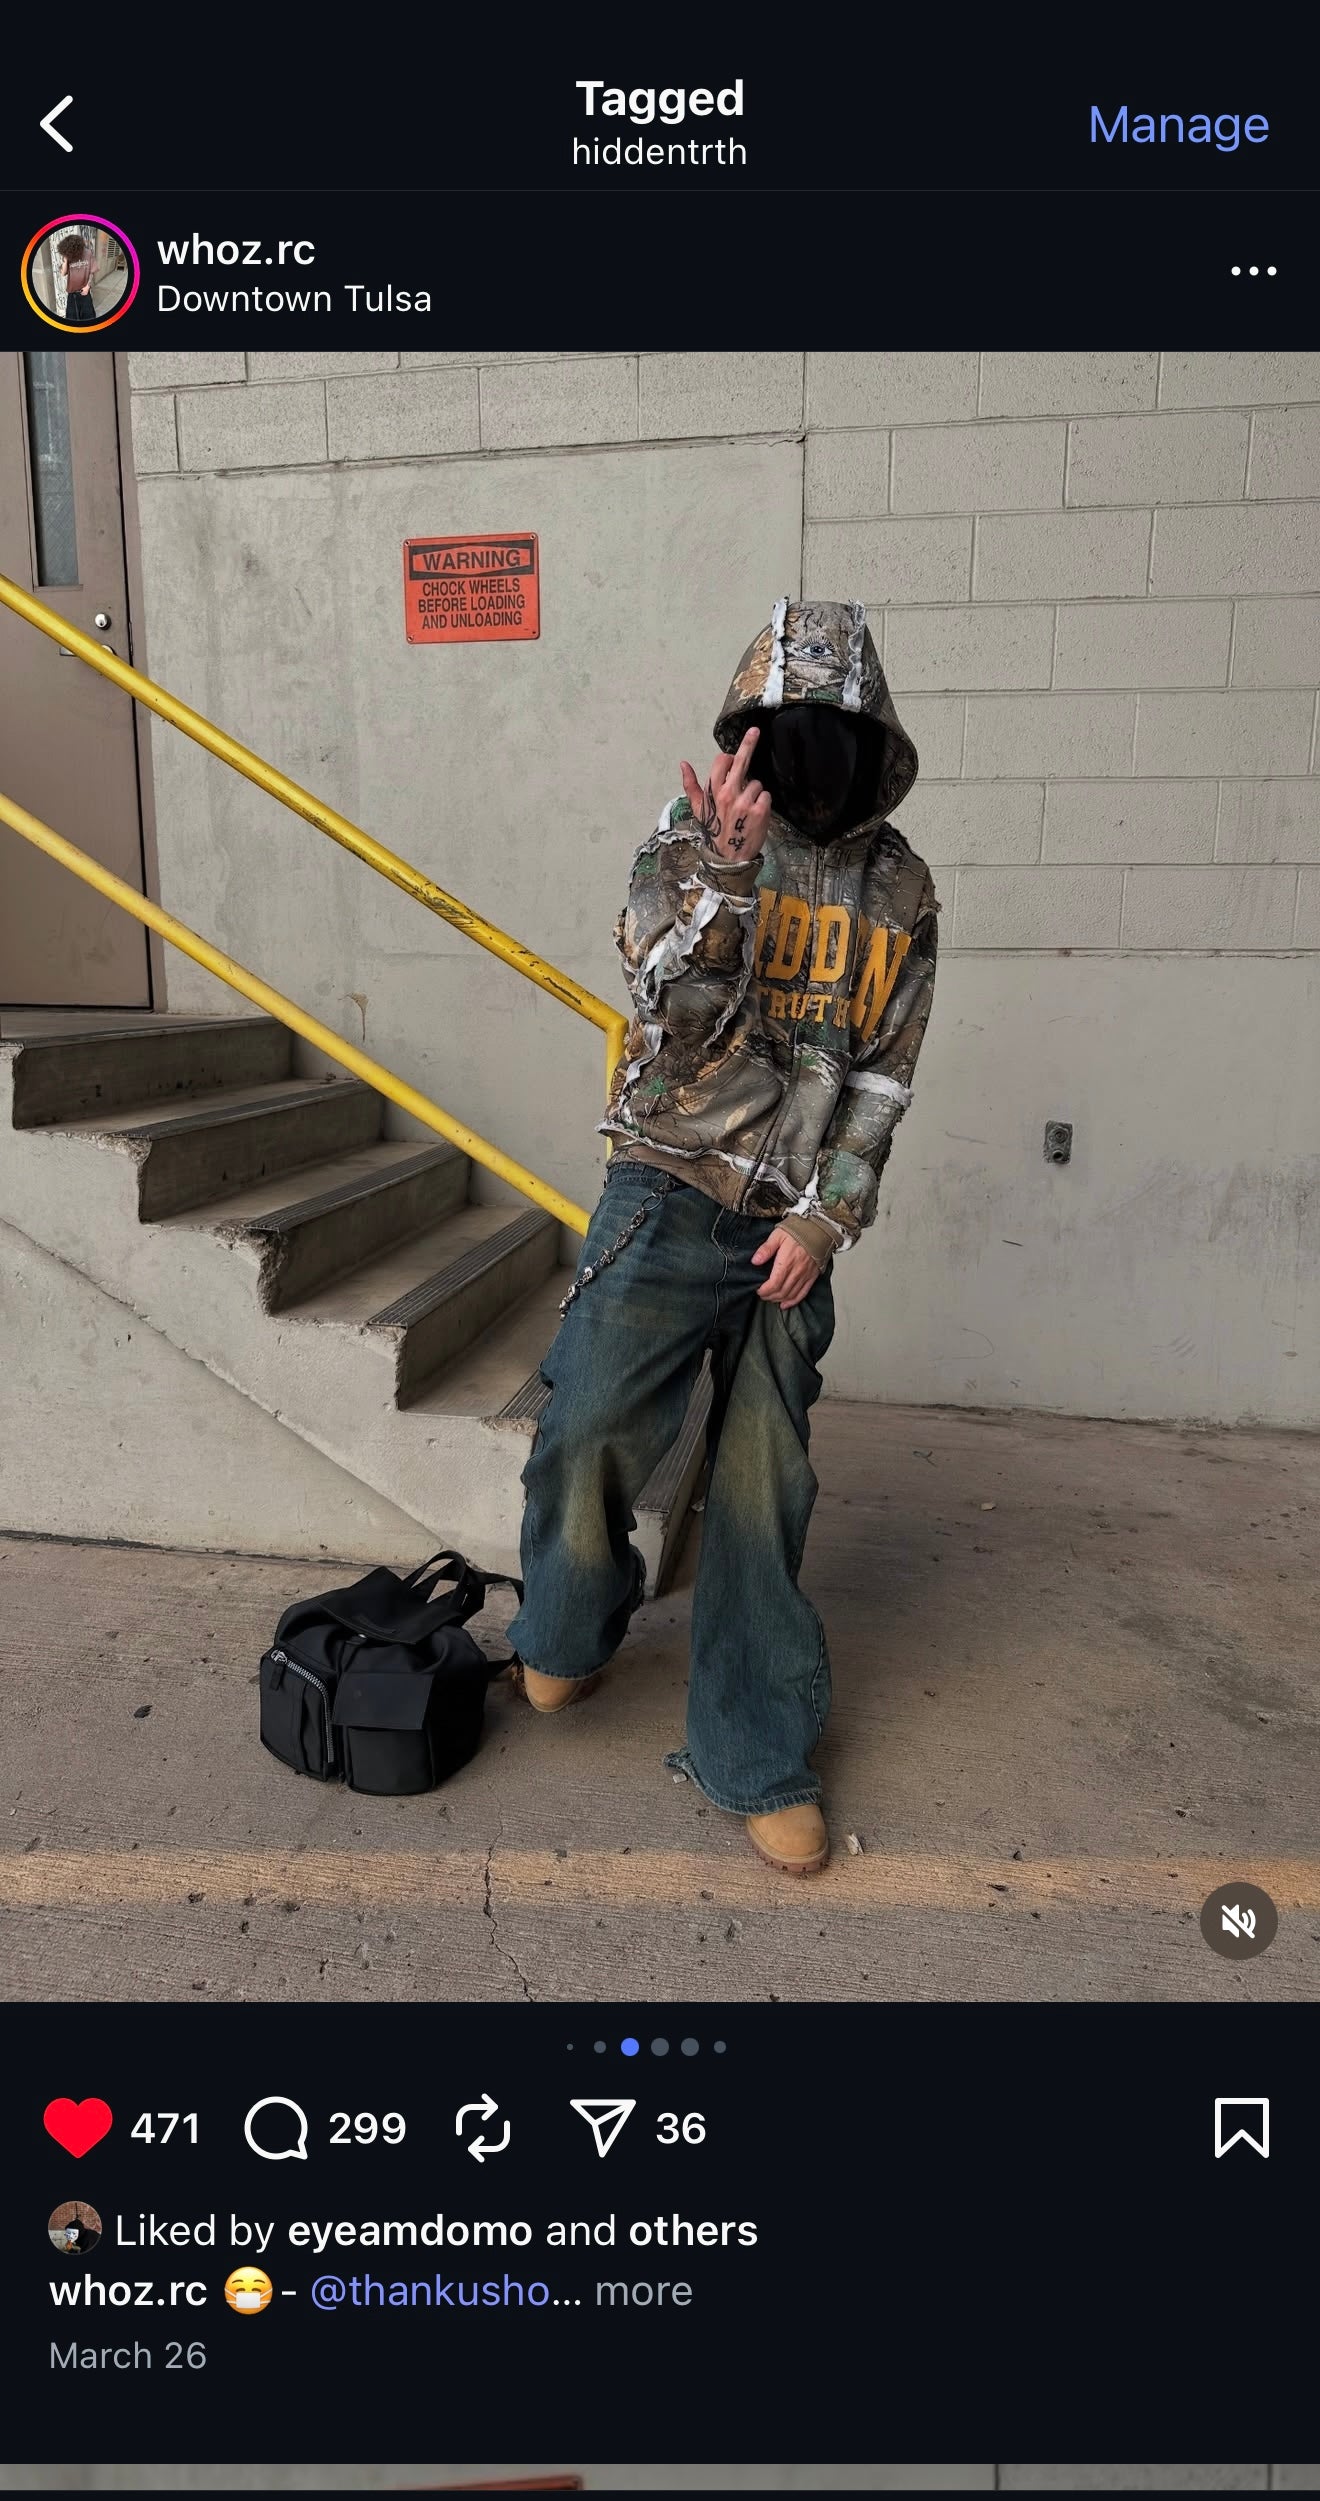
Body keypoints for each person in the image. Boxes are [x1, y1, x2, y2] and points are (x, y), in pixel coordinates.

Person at [506, 598, 938, 1875]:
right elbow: (668, 1015)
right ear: (745, 730)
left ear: (874, 739)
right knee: (587, 1422)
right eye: (780, 729)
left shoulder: (904, 889)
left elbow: (884, 1075)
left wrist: (827, 1217)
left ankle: (753, 1750)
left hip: (790, 1229)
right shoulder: (688, 837)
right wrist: (725, 876)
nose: (805, 757)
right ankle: (570, 1623)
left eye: (831, 733)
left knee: (761, 1485)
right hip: (667, 1186)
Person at [57, 230, 97, 324]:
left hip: (85, 292)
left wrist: (87, 287)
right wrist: (65, 260)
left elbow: (92, 272)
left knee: (88, 318)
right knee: (72, 319)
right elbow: (63, 273)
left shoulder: (88, 253)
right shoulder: (68, 254)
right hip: (72, 294)